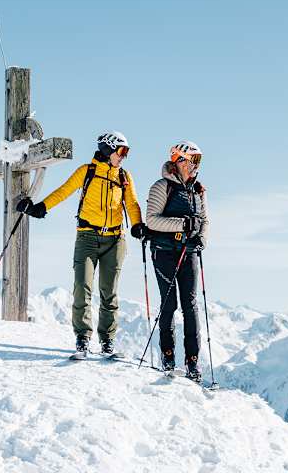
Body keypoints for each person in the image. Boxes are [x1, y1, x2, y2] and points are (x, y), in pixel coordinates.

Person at [17, 132, 147, 357]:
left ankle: (107, 341)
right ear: (108, 149)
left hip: (115, 240)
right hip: (87, 237)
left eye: (127, 152)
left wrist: (137, 225)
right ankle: (82, 339)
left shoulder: (124, 176)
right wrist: (41, 207)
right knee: (82, 287)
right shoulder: (87, 172)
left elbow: (132, 203)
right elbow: (64, 191)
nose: (124, 156)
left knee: (109, 292)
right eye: (122, 151)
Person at [146, 140, 209, 382]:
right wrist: (182, 224)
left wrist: (201, 238)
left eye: (198, 160)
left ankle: (193, 361)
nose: (196, 165)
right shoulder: (161, 187)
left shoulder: (198, 189)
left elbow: (204, 219)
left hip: (190, 251)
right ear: (179, 160)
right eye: (194, 159)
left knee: (191, 305)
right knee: (169, 303)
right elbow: (152, 220)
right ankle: (168, 355)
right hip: (164, 251)